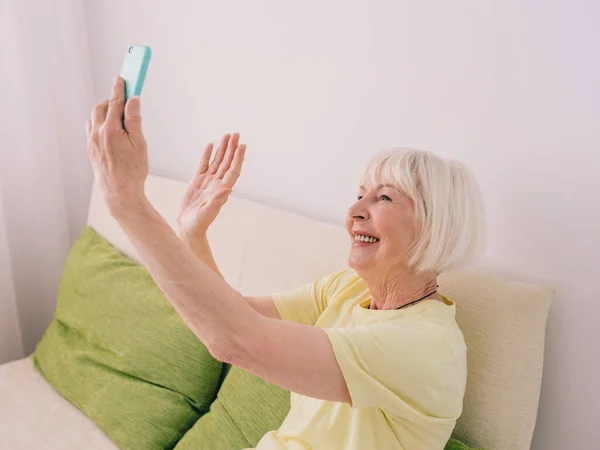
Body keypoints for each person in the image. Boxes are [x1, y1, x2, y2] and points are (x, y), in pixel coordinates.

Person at [86, 76, 486, 450]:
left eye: (383, 198)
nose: (354, 211)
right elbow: (234, 314)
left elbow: (235, 339)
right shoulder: (347, 289)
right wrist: (192, 234)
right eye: (359, 194)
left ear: (435, 225)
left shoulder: (425, 346)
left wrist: (127, 202)